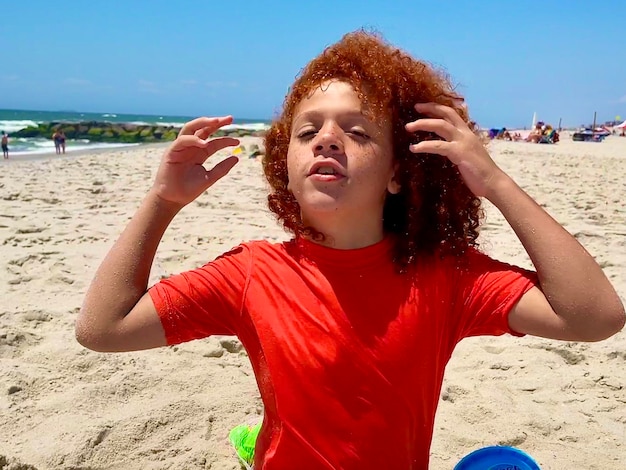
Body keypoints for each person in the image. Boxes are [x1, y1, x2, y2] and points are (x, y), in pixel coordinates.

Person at [76, 31, 625, 469]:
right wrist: (162, 201)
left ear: (396, 173)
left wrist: (495, 182)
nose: (327, 138)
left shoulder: (444, 277)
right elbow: (102, 329)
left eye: (358, 132)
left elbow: (596, 316)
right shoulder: (251, 274)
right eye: (306, 130)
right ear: (284, 168)